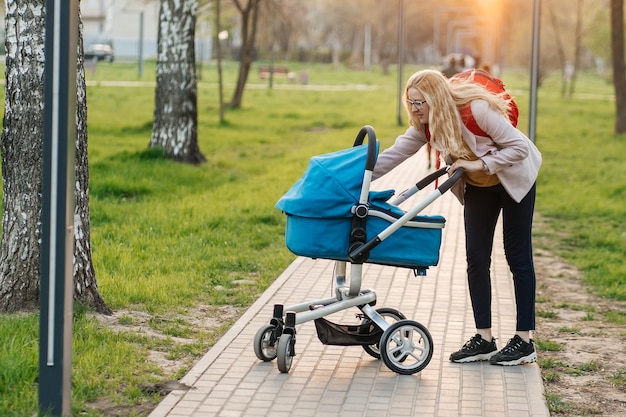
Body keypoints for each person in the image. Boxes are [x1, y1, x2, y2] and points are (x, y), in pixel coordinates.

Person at [372, 69, 542, 366]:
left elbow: (519, 148)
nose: (414, 109)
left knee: (517, 257)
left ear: (435, 98)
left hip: (514, 179)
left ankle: (524, 340)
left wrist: (478, 164)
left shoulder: (475, 109)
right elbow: (391, 156)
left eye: (419, 102)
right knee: (476, 259)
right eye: (410, 103)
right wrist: (353, 175)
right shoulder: (425, 126)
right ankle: (484, 339)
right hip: (479, 187)